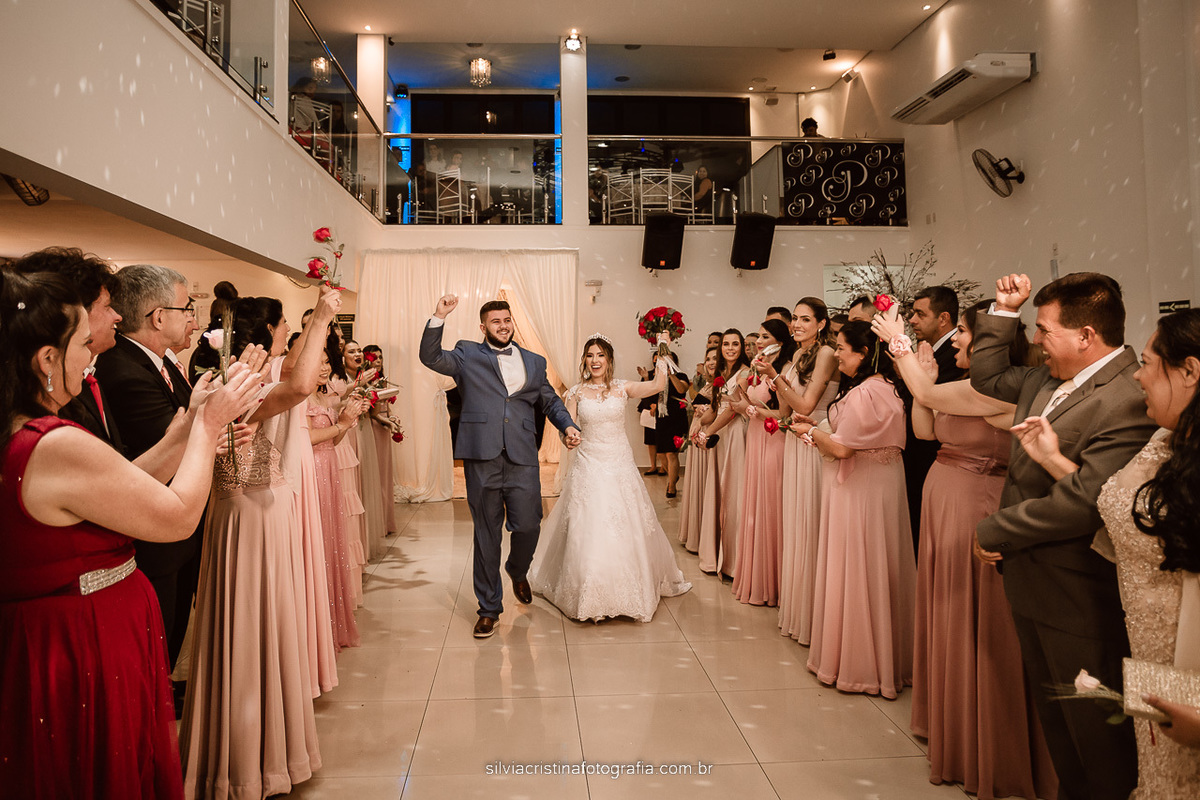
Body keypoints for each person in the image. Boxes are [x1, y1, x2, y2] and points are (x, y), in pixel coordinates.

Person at [0, 269, 259, 799]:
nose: (92, 354)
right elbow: (176, 515)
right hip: (81, 644)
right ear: (47, 361)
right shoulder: (51, 443)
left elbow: (127, 484)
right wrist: (209, 431)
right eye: (79, 345)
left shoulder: (25, 431)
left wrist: (188, 423)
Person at [970, 272, 1154, 800]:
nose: (1036, 341)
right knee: (1059, 731)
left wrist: (993, 529)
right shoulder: (1043, 378)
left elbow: (1083, 502)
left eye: (1044, 330)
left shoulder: (1126, 397)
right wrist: (1005, 309)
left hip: (1078, 590)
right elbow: (986, 375)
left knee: (1096, 740)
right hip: (1030, 578)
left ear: (1086, 336)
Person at [873, 302, 1057, 799]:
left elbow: (929, 392)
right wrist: (923, 381)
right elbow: (925, 429)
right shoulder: (964, 384)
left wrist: (901, 343)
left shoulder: (999, 390)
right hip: (944, 497)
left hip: (978, 501)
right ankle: (950, 719)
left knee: (978, 617)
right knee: (948, 609)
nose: (954, 340)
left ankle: (988, 736)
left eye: (961, 332)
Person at [1015, 308, 1200, 796]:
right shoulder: (1163, 439)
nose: (1138, 372)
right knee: (1152, 769)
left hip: (1187, 646)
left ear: (1190, 372)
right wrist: (1054, 458)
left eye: (1149, 361)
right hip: (1141, 638)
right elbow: (1108, 504)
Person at [181, 288, 340, 798]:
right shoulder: (234, 381)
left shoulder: (239, 375)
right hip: (247, 516)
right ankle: (250, 765)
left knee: (264, 625)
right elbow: (297, 387)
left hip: (252, 515)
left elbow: (292, 374)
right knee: (250, 626)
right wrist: (320, 319)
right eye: (281, 327)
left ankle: (262, 755)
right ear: (265, 332)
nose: (284, 336)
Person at [419, 295, 581, 639]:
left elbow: (550, 400)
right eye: (496, 322)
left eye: (506, 320)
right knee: (486, 533)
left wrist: (567, 425)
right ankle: (489, 608)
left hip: (522, 455)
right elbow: (430, 357)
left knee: (528, 525)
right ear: (483, 327)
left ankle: (517, 569)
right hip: (482, 455)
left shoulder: (535, 362)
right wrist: (439, 316)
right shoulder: (467, 354)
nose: (503, 326)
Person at [529, 334, 691, 621]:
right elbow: (566, 425)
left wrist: (664, 349)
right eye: (590, 355)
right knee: (586, 527)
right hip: (588, 465)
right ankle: (586, 593)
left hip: (618, 465)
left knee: (624, 525)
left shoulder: (622, 387)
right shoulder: (576, 392)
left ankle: (628, 590)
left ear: (609, 360)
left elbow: (658, 385)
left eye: (600, 355)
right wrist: (568, 436)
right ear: (584, 360)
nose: (595, 360)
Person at [95, 264, 202, 690]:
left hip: (177, 525)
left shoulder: (164, 363)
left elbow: (190, 422)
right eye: (186, 307)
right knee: (156, 632)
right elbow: (171, 439)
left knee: (171, 628)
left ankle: (161, 689)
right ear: (159, 317)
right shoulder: (122, 369)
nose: (192, 317)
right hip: (154, 526)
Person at [798, 320, 916, 698]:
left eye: (844, 348)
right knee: (879, 564)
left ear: (865, 354)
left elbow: (843, 448)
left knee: (856, 564)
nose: (838, 354)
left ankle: (857, 663)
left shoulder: (867, 392)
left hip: (859, 489)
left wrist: (808, 432)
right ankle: (884, 657)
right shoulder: (888, 389)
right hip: (881, 485)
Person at [757, 297, 838, 644]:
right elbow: (787, 407)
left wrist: (775, 375)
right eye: (795, 319)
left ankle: (818, 616)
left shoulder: (826, 354)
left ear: (821, 323)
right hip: (795, 440)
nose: (797, 325)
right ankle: (797, 610)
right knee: (795, 525)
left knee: (810, 523)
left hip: (814, 441)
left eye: (805, 319)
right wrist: (775, 376)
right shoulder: (798, 356)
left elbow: (807, 404)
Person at [733, 319, 797, 606]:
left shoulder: (782, 371)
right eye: (758, 336)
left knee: (770, 506)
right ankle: (759, 577)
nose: (758, 341)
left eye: (765, 336)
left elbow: (783, 414)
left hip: (774, 441)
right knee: (756, 505)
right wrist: (743, 391)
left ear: (780, 342)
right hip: (757, 439)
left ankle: (776, 582)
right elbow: (747, 403)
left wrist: (751, 410)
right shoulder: (758, 369)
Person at [904, 285, 965, 554]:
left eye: (919, 313)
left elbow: (933, 401)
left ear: (943, 318)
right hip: (920, 452)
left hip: (934, 455)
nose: (912, 320)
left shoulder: (955, 356)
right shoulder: (929, 350)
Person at [697, 329, 754, 579]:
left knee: (734, 493)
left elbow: (732, 410)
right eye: (726, 344)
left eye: (735, 344)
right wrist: (698, 428)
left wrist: (708, 431)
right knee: (719, 491)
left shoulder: (745, 372)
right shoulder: (721, 374)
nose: (730, 348)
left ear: (742, 347)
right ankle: (716, 554)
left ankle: (733, 560)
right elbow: (714, 407)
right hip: (720, 434)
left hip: (734, 436)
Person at [678, 346, 720, 554]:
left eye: (715, 358)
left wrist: (703, 415)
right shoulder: (707, 384)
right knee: (698, 485)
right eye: (708, 358)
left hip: (709, 437)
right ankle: (697, 533)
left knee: (707, 485)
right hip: (698, 437)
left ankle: (706, 536)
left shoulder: (722, 385)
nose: (711, 362)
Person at [653, 348, 691, 497]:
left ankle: (671, 486)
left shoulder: (681, 375)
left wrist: (671, 375)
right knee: (661, 453)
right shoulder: (657, 376)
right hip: (662, 416)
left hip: (676, 415)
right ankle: (673, 477)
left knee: (671, 453)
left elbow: (682, 390)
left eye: (668, 359)